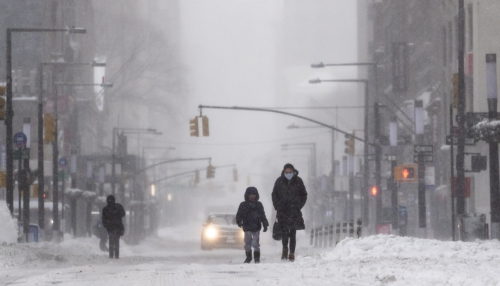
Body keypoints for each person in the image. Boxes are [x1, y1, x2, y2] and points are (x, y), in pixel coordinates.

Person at [272, 163, 307, 262]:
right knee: (284, 232)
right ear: (284, 172)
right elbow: (274, 194)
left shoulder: (298, 181)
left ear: (293, 171)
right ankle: (284, 249)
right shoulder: (279, 181)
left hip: (294, 211)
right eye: (286, 172)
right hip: (282, 211)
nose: (288, 174)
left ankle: (291, 252)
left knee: (292, 232)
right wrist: (277, 205)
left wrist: (299, 205)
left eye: (290, 172)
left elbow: (304, 194)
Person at [236, 187, 269, 264]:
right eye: (250, 195)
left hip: (256, 227)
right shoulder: (243, 205)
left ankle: (257, 258)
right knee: (247, 243)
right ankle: (248, 257)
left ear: (256, 195)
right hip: (247, 227)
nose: (252, 196)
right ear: (247, 195)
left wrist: (265, 224)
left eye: (253, 195)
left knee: (255, 243)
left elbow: (262, 215)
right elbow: (239, 215)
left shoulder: (259, 205)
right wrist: (239, 222)